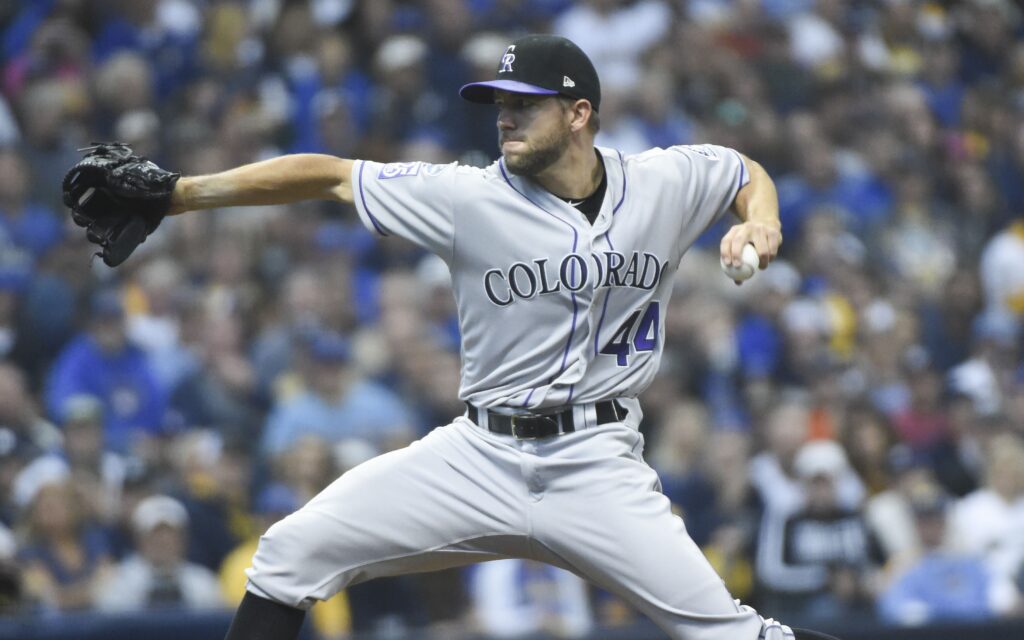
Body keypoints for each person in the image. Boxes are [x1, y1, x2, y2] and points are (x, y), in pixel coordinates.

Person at [79, 33, 821, 640]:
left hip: (597, 463)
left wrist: (763, 218)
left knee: (733, 636)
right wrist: (180, 195)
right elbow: (331, 175)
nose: (504, 117)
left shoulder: (663, 180)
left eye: (524, 105)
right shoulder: (468, 197)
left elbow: (741, 170)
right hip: (480, 454)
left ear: (578, 113)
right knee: (288, 555)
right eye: (498, 103)